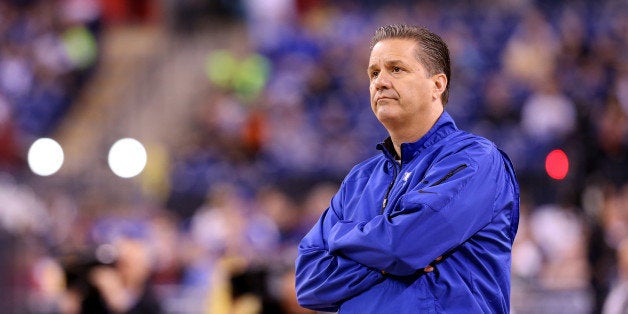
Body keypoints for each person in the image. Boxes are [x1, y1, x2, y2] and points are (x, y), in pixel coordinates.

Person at [294, 24, 520, 313]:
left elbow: (404, 246)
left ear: (437, 85)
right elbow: (310, 283)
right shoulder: (359, 180)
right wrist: (391, 262)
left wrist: (341, 237)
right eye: (374, 73)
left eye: (396, 69)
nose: (380, 82)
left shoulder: (475, 159)